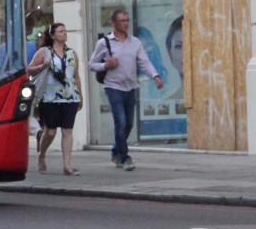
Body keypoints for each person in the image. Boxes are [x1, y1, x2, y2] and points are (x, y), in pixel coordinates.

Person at [89, 9, 163, 171]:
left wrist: (155, 76)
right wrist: (106, 65)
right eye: (122, 21)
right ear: (114, 23)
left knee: (128, 124)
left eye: (127, 20)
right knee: (120, 122)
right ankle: (125, 157)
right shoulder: (104, 43)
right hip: (113, 86)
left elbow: (144, 62)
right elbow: (91, 64)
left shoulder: (135, 42)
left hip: (131, 86)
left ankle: (116, 150)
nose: (126, 23)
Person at [26, 22, 83, 175]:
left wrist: (80, 95)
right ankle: (42, 155)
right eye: (60, 31)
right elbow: (29, 70)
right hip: (48, 97)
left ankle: (67, 165)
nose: (64, 33)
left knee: (67, 131)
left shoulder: (72, 53)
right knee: (50, 131)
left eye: (65, 31)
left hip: (70, 97)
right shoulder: (44, 52)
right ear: (52, 36)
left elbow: (76, 77)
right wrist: (42, 66)